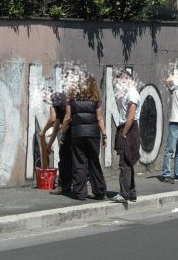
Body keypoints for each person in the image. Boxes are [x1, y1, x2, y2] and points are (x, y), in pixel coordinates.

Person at [59, 76, 107, 200]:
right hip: (93, 135)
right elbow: (99, 118)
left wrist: (63, 134)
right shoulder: (97, 100)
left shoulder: (72, 100)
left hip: (77, 134)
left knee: (79, 162)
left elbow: (67, 118)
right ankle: (99, 191)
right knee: (94, 162)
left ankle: (80, 192)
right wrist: (105, 135)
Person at [111, 70, 141, 203]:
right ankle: (131, 192)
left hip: (129, 129)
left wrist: (124, 133)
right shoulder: (130, 93)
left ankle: (124, 193)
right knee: (128, 162)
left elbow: (131, 116)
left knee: (124, 163)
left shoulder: (132, 94)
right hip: (128, 128)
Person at [35, 91, 69, 195]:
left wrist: (43, 131)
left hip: (68, 132)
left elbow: (52, 119)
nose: (44, 100)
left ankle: (62, 187)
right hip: (70, 131)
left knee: (64, 159)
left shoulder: (55, 101)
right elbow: (56, 125)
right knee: (71, 159)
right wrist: (49, 146)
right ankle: (73, 185)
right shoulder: (61, 102)